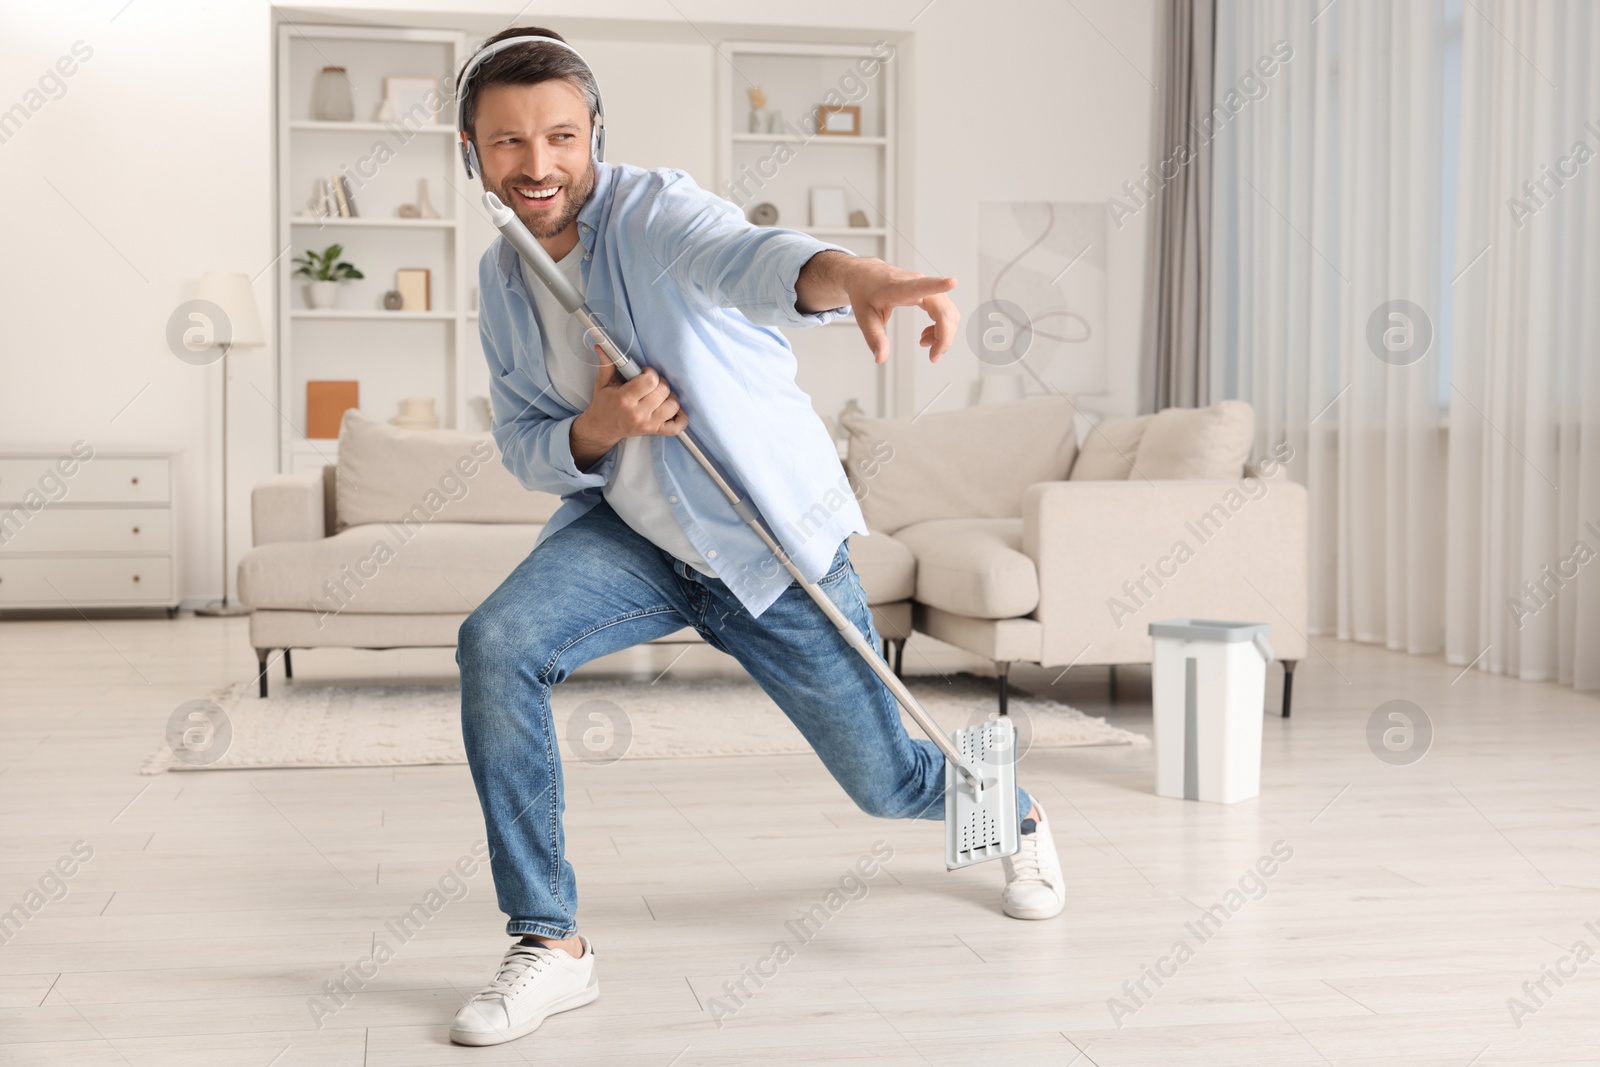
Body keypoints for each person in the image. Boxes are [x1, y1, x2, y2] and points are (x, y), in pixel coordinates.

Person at [449, 26, 1065, 1048]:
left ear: (595, 134)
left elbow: (749, 257)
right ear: (471, 153)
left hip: (765, 545)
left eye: (560, 136)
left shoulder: (655, 210)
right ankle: (551, 942)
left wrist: (851, 275)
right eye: (507, 142)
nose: (538, 164)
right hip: (634, 536)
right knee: (497, 641)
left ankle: (1013, 811)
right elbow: (523, 441)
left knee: (885, 782)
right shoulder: (500, 278)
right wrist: (601, 428)